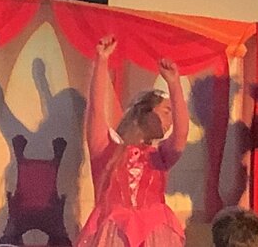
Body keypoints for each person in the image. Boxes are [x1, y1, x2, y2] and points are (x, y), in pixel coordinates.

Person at [75, 35, 189, 247]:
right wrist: (101, 62)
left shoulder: (159, 157)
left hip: (155, 237)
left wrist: (174, 84)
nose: (171, 121)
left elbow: (181, 134)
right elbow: (96, 110)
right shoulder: (105, 147)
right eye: (166, 112)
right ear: (145, 112)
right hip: (114, 236)